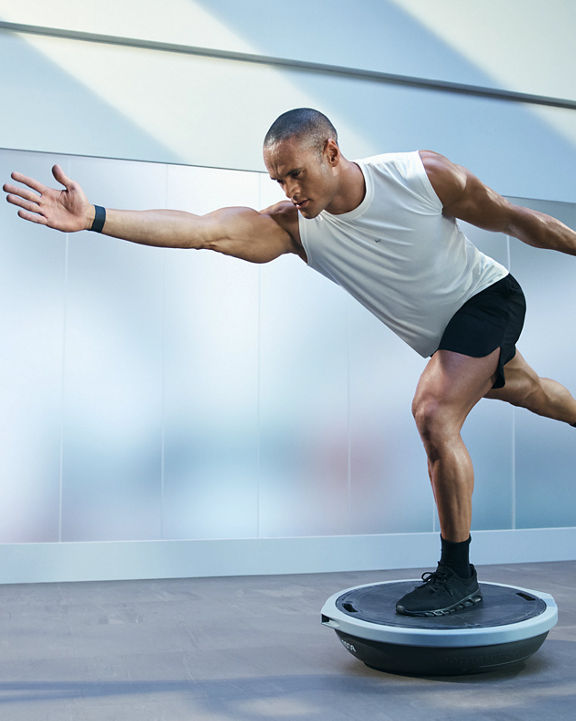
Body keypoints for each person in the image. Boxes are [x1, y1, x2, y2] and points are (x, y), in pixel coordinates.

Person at [4, 108, 576, 616]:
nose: (289, 189)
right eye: (278, 178)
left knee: (433, 412)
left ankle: (459, 574)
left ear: (331, 152)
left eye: (296, 173)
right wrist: (96, 216)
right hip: (447, 335)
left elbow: (513, 219)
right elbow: (203, 231)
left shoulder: (420, 176)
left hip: (487, 299)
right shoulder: (295, 228)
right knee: (531, 391)